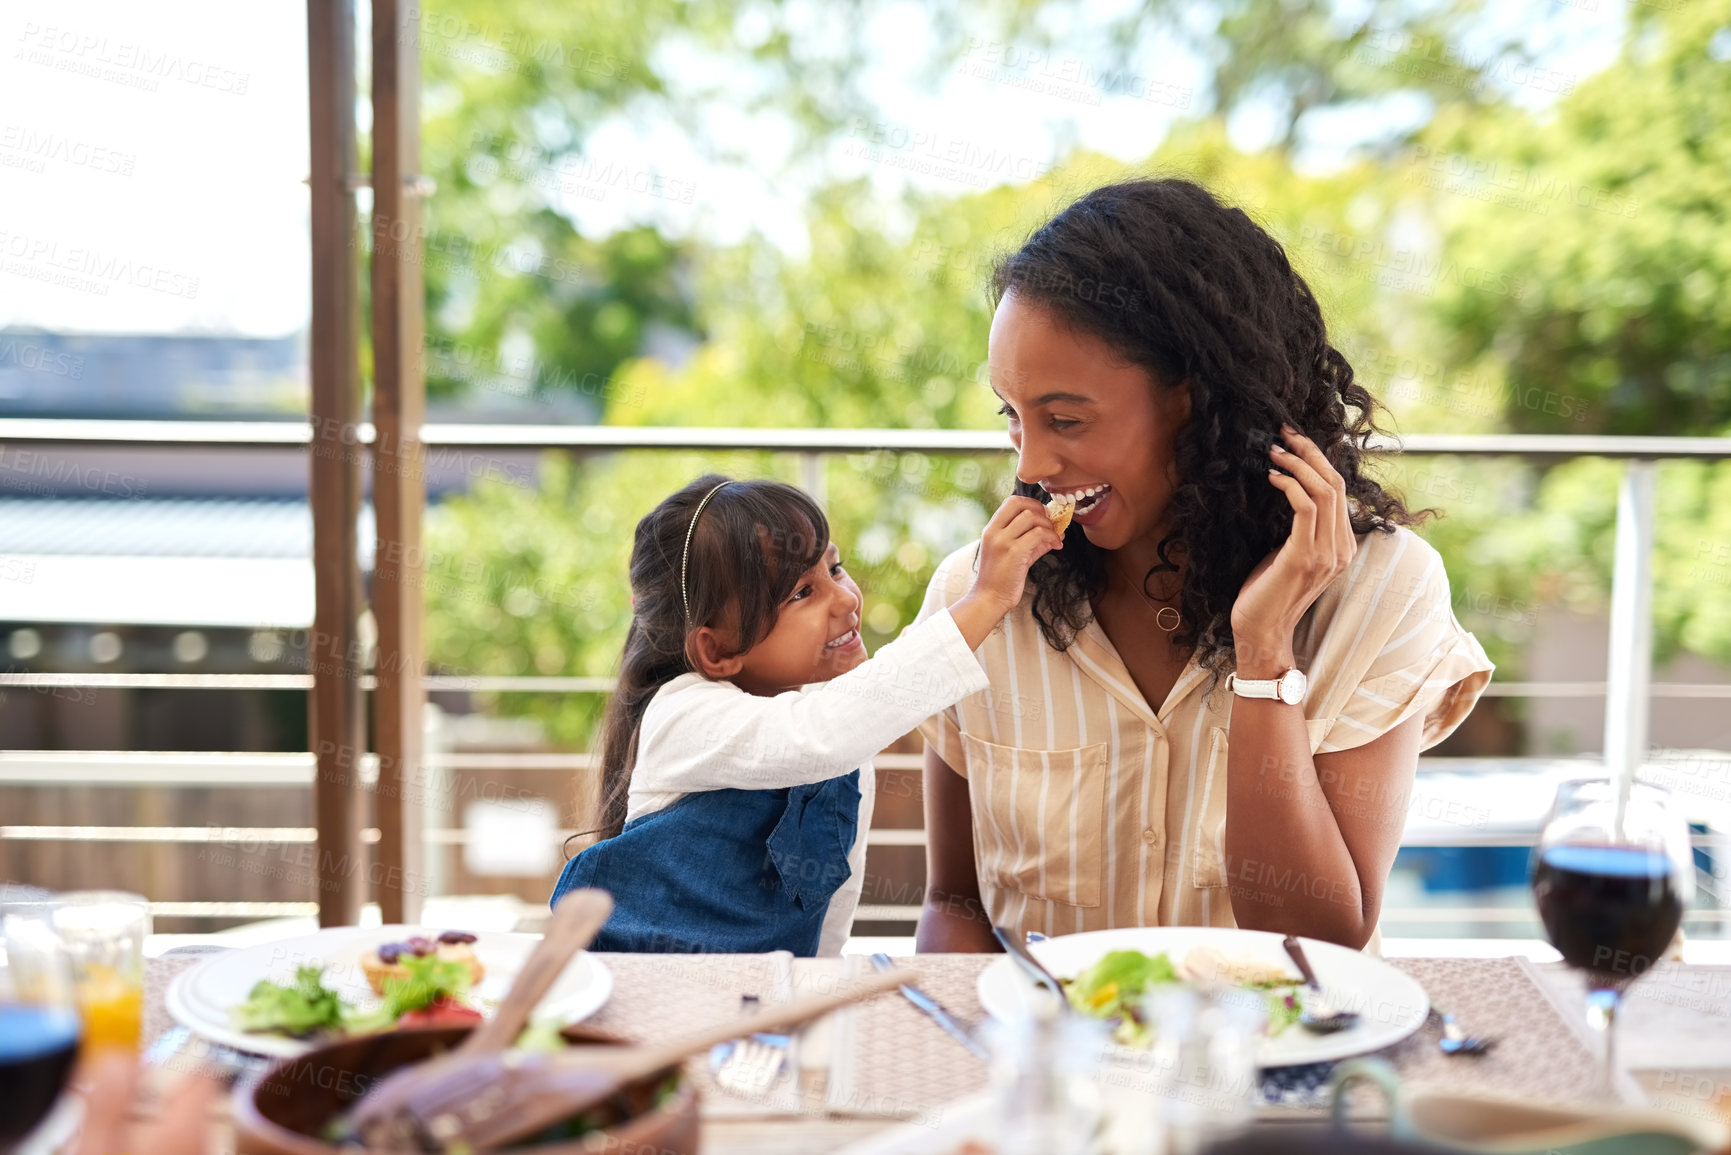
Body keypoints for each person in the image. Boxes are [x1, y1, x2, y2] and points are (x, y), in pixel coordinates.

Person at [915, 178, 1495, 953]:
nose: (1032, 461)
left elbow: (1318, 939)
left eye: (1063, 419)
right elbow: (953, 900)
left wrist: (1262, 656)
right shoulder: (976, 597)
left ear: (1194, 400)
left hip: (1269, 1063)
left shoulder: (1382, 592)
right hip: (1045, 1060)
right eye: (1011, 418)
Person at [551, 473, 1062, 956]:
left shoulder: (843, 747)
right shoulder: (682, 715)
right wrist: (987, 598)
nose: (845, 599)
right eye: (802, 593)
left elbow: (828, 916)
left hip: (755, 1012)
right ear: (717, 650)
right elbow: (819, 735)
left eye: (834, 568)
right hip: (634, 991)